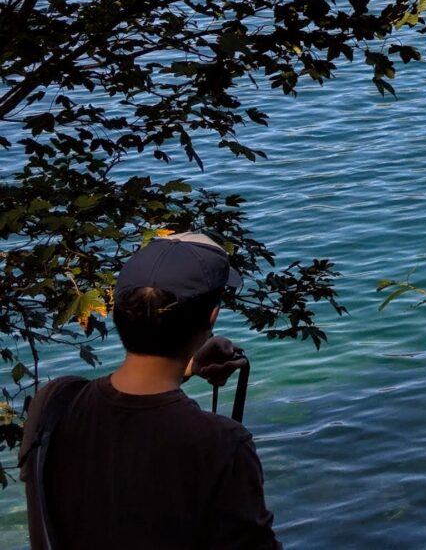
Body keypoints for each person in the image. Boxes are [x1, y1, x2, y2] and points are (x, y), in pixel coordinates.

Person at [17, 232, 278, 548]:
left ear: (118, 312)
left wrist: (188, 367)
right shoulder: (222, 445)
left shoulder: (53, 403)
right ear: (212, 316)